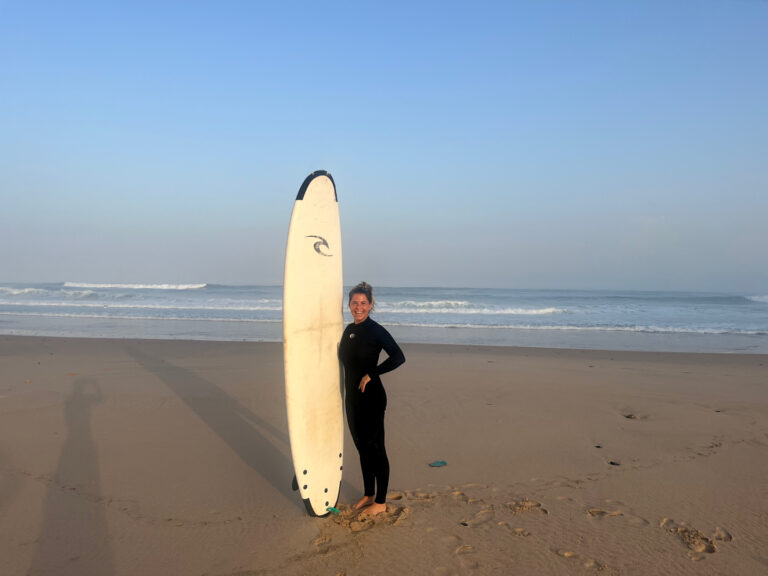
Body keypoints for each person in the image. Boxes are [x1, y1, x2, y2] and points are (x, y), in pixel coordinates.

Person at [339, 282, 405, 516]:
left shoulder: (375, 330)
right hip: (352, 399)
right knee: (362, 448)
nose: (359, 307)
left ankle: (381, 500)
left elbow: (398, 357)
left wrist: (372, 373)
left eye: (363, 303)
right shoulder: (348, 330)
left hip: (372, 398)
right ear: (349, 304)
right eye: (354, 303)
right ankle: (368, 494)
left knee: (376, 448)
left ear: (370, 305)